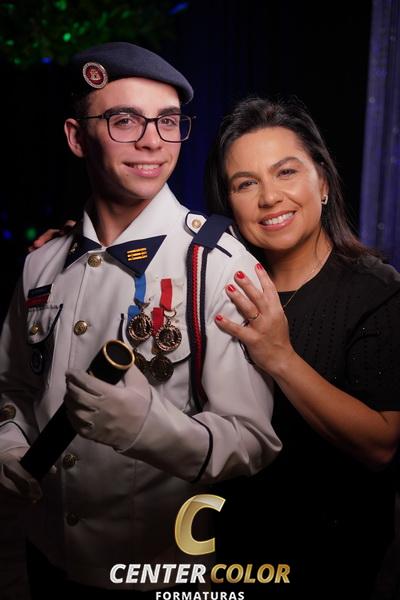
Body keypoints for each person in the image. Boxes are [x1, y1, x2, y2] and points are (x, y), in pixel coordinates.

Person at [0, 46, 281, 599]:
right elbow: (11, 389)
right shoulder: (41, 265)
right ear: (77, 137)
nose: (153, 141)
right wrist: (8, 445)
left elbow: (252, 441)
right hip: (45, 558)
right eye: (124, 120)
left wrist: (147, 428)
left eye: (168, 122)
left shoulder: (216, 265)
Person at [203, 97, 400, 599]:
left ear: (324, 183)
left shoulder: (375, 289)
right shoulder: (220, 286)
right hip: (230, 550)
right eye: (246, 183)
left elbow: (381, 445)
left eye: (285, 172)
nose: (270, 197)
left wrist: (281, 358)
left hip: (330, 561)